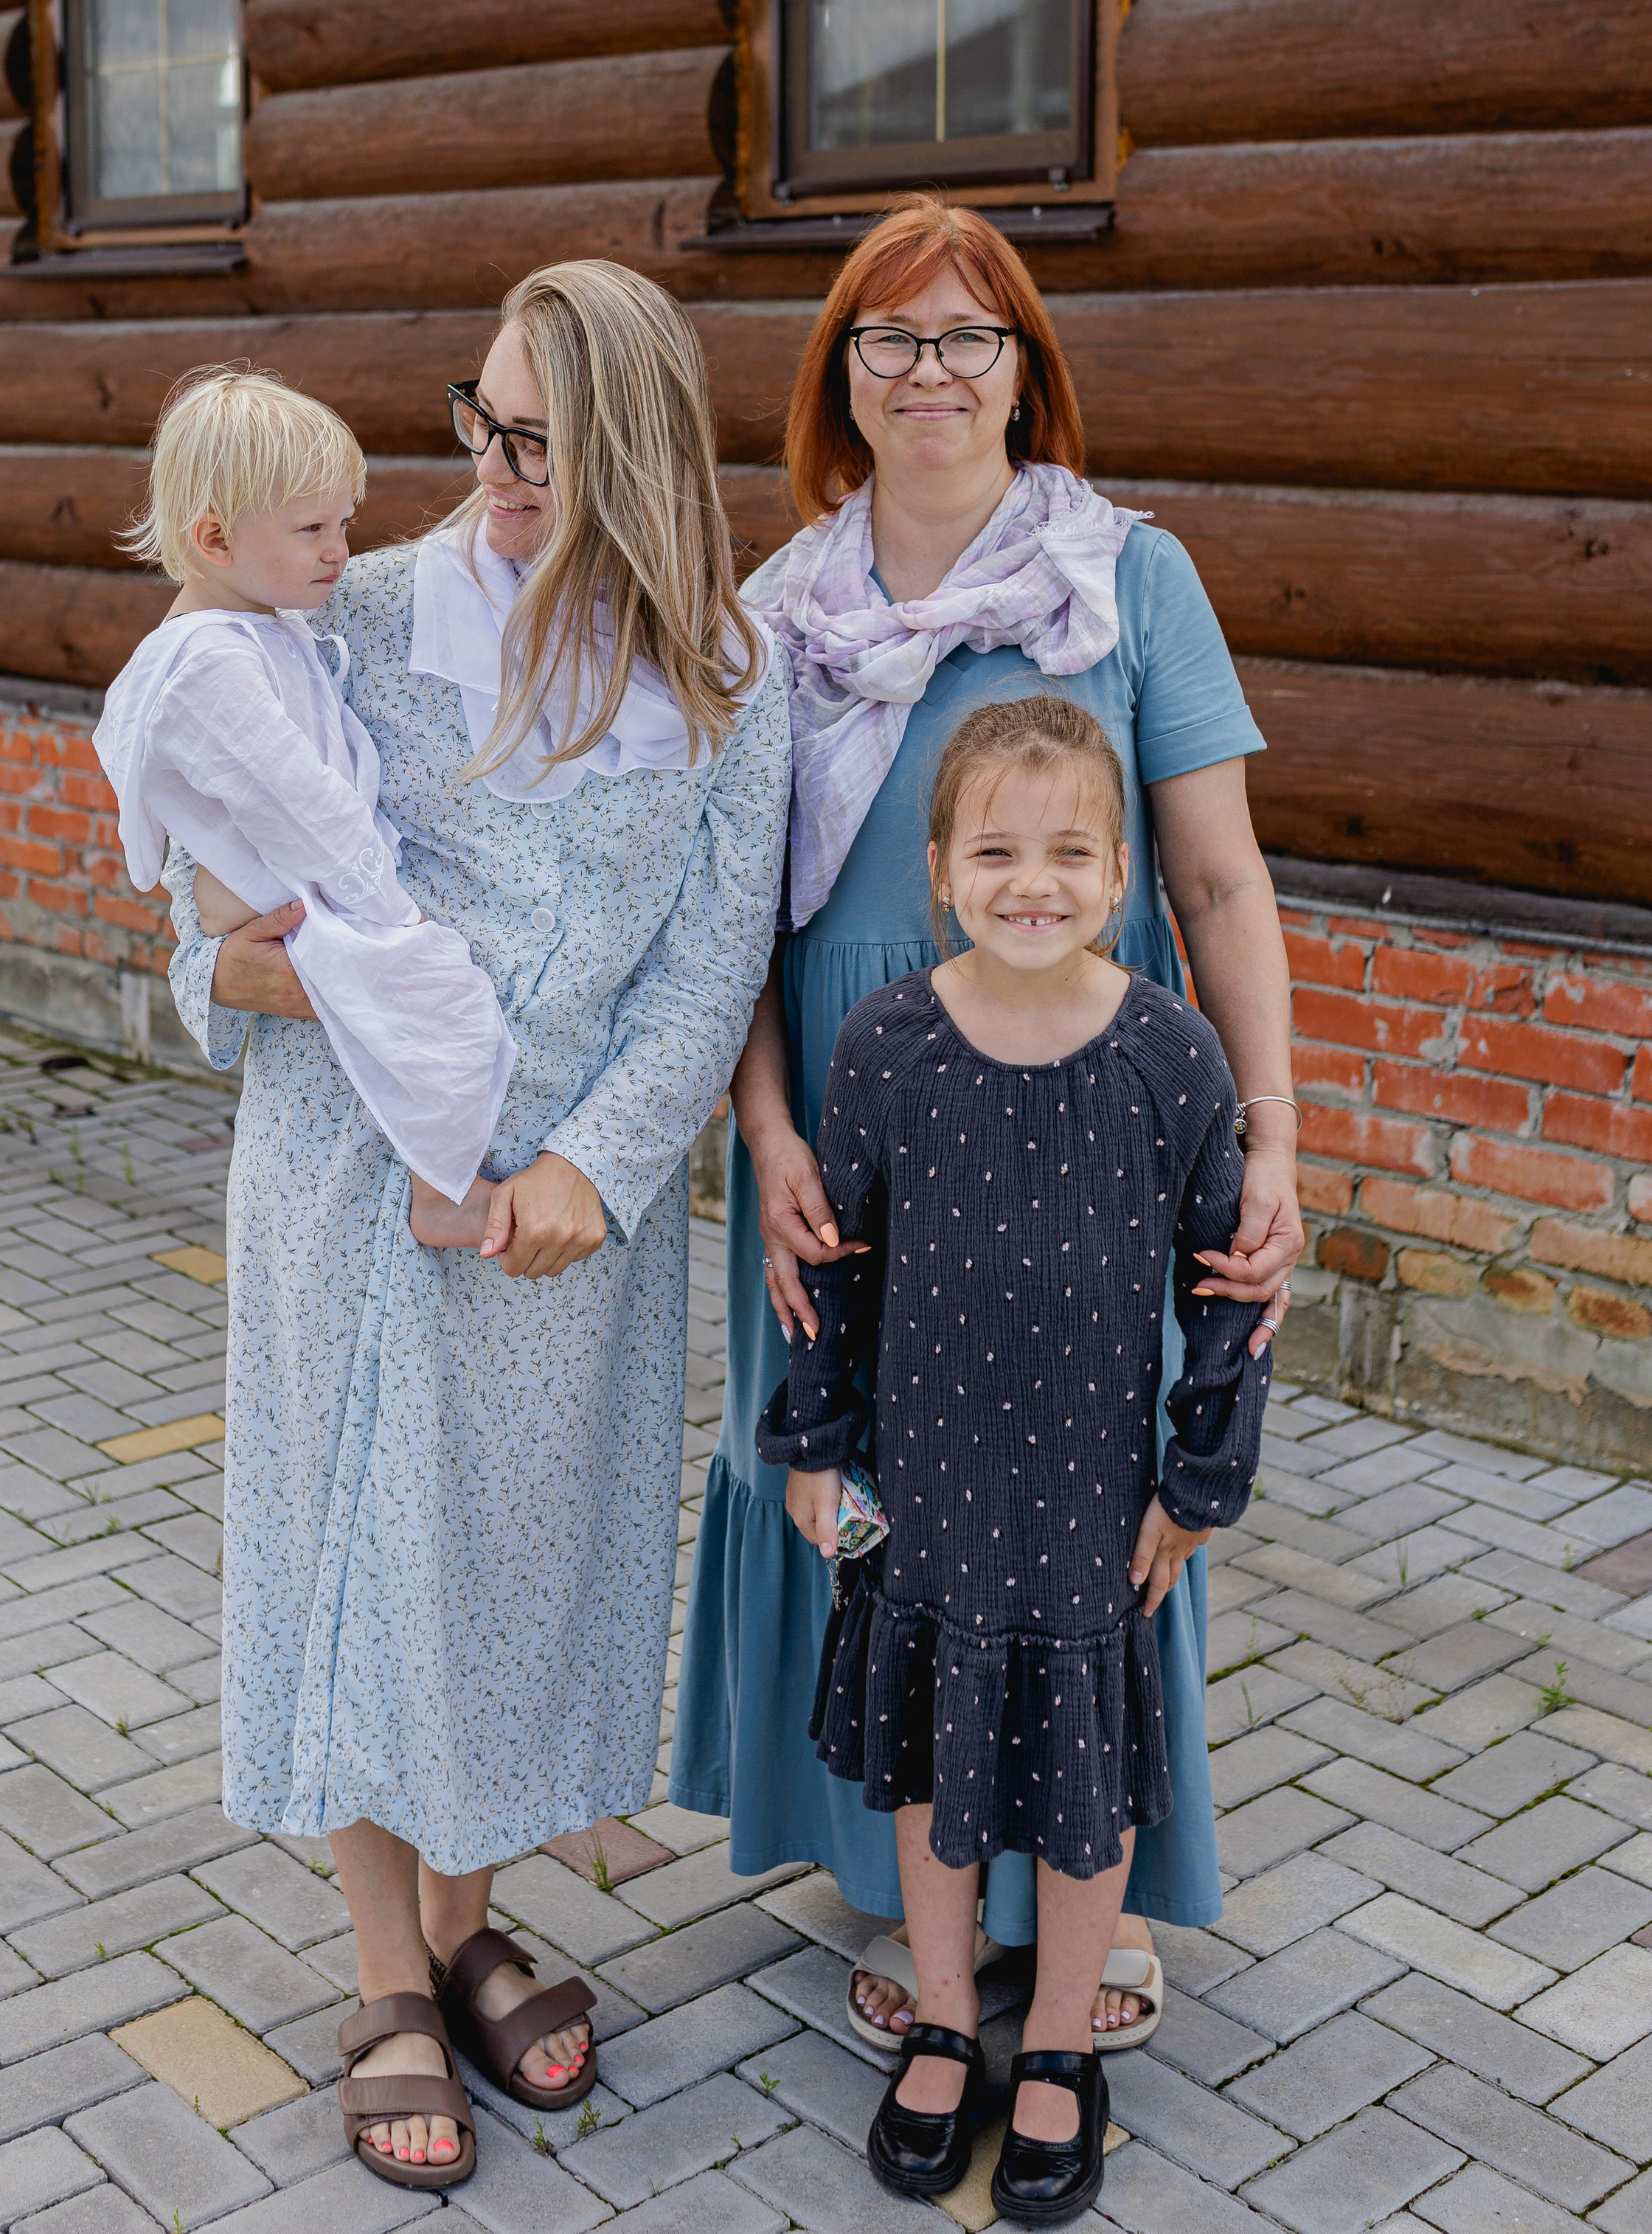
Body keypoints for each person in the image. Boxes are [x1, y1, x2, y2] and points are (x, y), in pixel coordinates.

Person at [159, 263, 791, 2193]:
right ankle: (385, 1982)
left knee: (508, 1578)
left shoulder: (723, 676)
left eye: (543, 440)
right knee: (367, 1560)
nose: (496, 470)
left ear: (638, 453)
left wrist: (584, 1175)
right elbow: (205, 910)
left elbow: (705, 970)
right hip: (351, 1192)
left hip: (559, 1226)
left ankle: (465, 1915)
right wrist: (259, 977)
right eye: (484, 423)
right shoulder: (336, 617)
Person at [670, 195, 1303, 2046]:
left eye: (966, 337)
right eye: (890, 339)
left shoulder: (1126, 578)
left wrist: (1265, 1131)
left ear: (1024, 369)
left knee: (1074, 1486)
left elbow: (1217, 878)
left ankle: (1079, 1892)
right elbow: (729, 930)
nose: (929, 371)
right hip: (846, 1128)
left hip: (1082, 1131)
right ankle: (898, 1892)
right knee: (876, 1483)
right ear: (839, 382)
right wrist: (763, 1133)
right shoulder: (772, 617)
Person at [763, 695, 1268, 2221]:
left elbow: (1225, 1287)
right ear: (939, 870)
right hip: (924, 1490)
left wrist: (1194, 1482)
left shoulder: (1170, 1057)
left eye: (1064, 853)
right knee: (925, 1766)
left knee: (1080, 1785)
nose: (1027, 881)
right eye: (993, 850)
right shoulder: (888, 1046)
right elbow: (827, 1264)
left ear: (1116, 874)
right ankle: (937, 2011)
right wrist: (811, 1446)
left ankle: (1053, 2042)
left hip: (1085, 1509)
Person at [95, 366, 514, 1225]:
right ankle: (444, 1192)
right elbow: (298, 804)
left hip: (303, 889)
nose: (339, 550)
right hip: (299, 895)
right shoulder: (209, 664)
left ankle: (440, 1179)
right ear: (215, 540)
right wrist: (391, 913)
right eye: (312, 528)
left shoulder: (261, 626)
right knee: (442, 1000)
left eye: (344, 522)